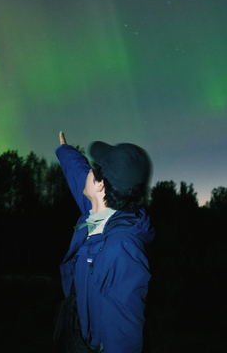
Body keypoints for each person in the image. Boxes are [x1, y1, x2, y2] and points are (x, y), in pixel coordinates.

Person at [53, 131, 154, 353]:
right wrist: (65, 150)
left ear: (100, 186)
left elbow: (124, 334)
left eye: (93, 170)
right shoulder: (100, 209)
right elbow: (77, 173)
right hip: (74, 318)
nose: (87, 172)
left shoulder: (123, 250)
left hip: (88, 345)